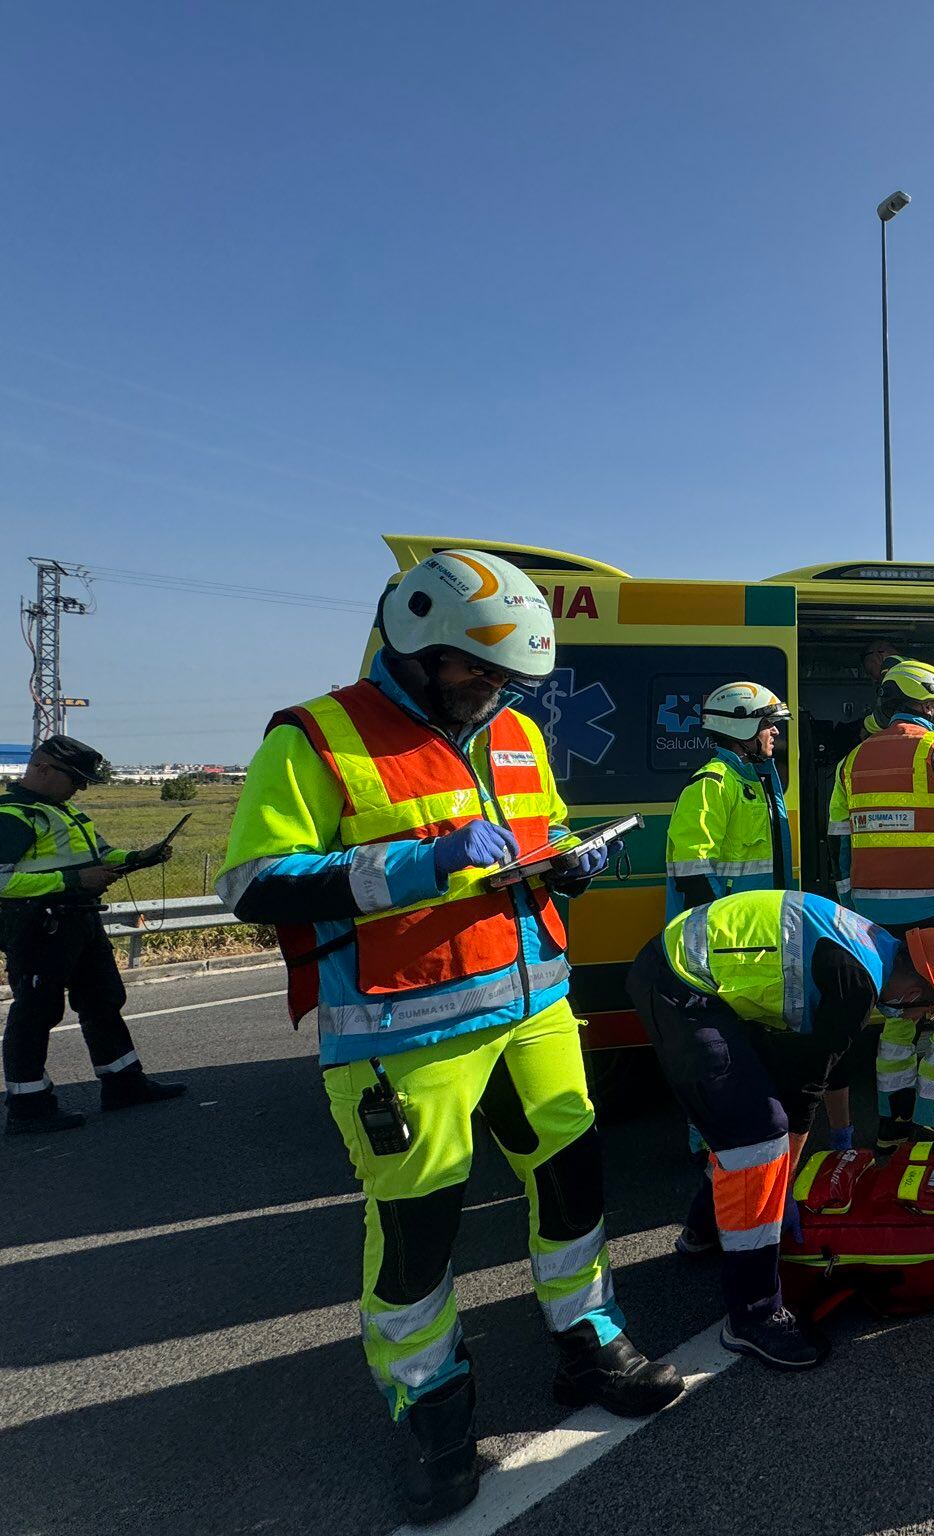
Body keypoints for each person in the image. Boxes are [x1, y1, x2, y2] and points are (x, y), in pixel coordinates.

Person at [217, 549, 682, 1522]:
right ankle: (430, 1404)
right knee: (417, 1230)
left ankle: (587, 1335)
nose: (495, 688)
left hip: (533, 1008)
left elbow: (540, 827)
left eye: (508, 673)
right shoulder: (317, 739)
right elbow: (253, 885)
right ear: (413, 641)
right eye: (478, 667)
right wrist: (419, 863)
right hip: (403, 1033)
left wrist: (566, 868)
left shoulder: (513, 731)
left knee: (574, 1181)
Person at [626, 889, 934, 1369]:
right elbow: (806, 1094)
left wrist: (844, 1139)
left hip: (692, 974)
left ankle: (704, 1230)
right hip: (681, 987)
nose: (915, 1019)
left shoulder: (870, 945)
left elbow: (831, 1062)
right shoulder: (858, 982)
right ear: (914, 993)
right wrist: (783, 1184)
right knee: (759, 1138)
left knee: (745, 1116)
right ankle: (753, 1317)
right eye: (923, 1011)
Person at [827, 658, 934, 1152]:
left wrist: (850, 911)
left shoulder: (852, 761)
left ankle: (891, 1128)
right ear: (928, 705)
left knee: (899, 1014)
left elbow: (838, 849)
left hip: (872, 920)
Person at [2, 735, 185, 1133]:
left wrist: (139, 858)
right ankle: (28, 1106)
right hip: (39, 926)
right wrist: (73, 880)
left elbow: (101, 855)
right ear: (42, 768)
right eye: (76, 778)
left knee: (103, 1000)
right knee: (36, 1012)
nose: (80, 787)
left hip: (78, 920)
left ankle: (123, 1085)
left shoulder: (62, 811)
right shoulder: (13, 816)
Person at [665, 682, 794, 919]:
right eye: (767, 724)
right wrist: (716, 925)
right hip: (729, 928)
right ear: (741, 727)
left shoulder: (754, 779)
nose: (775, 732)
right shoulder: (712, 782)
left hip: (758, 920)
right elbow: (694, 869)